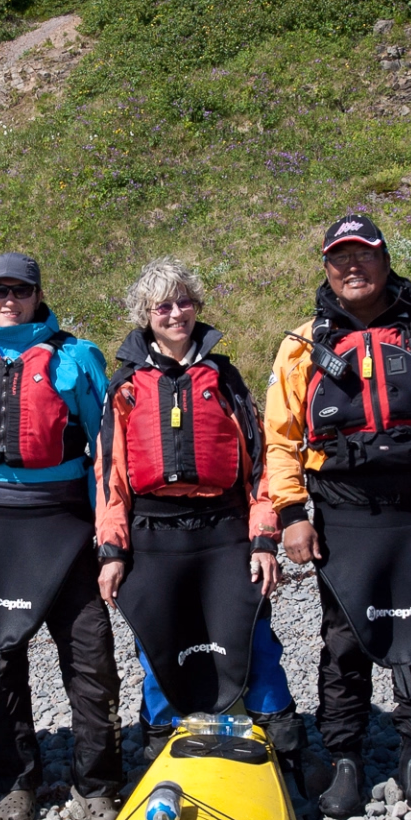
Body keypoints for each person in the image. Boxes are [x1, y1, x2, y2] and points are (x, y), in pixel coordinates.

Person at [263, 215, 411, 820]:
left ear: (385, 258)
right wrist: (292, 514)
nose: (353, 267)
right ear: (326, 267)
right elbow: (280, 439)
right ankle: (346, 757)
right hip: (343, 512)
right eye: (339, 258)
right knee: (344, 640)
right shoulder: (303, 345)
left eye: (365, 255)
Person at [93, 257, 300, 753]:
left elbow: (260, 467)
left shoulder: (225, 380)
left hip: (222, 532)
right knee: (157, 642)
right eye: (163, 305)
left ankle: (282, 734)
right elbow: (110, 476)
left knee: (252, 635)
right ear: (146, 314)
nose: (176, 313)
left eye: (184, 302)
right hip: (155, 537)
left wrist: (263, 539)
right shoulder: (124, 388)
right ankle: (160, 738)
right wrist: (111, 551)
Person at [0, 253, 120, 820]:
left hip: (60, 526)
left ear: (38, 293)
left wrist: (108, 534)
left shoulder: (76, 357)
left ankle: (96, 781)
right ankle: (16, 779)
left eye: (20, 289)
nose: (8, 299)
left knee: (90, 656)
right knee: (0, 660)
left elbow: (107, 453)